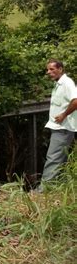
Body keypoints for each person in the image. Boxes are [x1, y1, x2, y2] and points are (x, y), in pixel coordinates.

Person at [39, 59, 77, 189]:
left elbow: (76, 101)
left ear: (60, 69)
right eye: (48, 70)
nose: (49, 72)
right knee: (61, 159)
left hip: (63, 127)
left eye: (52, 69)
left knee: (53, 158)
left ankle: (43, 190)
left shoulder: (67, 83)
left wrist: (64, 115)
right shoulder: (59, 84)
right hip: (59, 127)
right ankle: (59, 187)